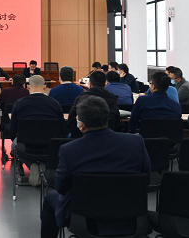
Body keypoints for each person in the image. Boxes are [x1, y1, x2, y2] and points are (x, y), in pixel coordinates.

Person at [40, 96, 151, 238]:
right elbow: (146, 179)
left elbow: (61, 187)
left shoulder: (69, 150)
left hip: (84, 216)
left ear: (81, 125)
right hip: (129, 213)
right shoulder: (136, 142)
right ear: (106, 118)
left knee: (50, 198)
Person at [10, 75, 65, 186]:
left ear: (28, 86)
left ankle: (32, 165)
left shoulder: (19, 103)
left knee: (15, 144)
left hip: (26, 145)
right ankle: (44, 165)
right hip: (50, 145)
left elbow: (13, 129)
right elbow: (62, 129)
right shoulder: (55, 103)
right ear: (44, 86)